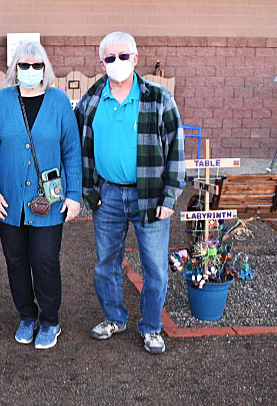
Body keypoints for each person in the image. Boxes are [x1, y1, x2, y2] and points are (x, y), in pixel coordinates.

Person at [75, 32, 185, 354]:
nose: (117, 62)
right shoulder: (90, 101)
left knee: (155, 268)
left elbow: (176, 150)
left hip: (149, 196)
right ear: (102, 64)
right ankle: (114, 317)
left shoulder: (159, 99)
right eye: (110, 58)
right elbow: (78, 149)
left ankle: (151, 327)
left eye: (123, 56)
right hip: (107, 196)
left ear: (135, 59)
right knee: (105, 264)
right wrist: (88, 191)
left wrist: (169, 197)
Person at [0, 41, 82, 350]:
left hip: (49, 203)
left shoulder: (59, 102)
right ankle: (27, 315)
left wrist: (74, 195)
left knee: (45, 260)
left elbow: (72, 152)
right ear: (15, 68)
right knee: (15, 261)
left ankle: (50, 320)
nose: (29, 70)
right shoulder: (1, 102)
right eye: (23, 65)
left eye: (36, 65)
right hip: (9, 202)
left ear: (45, 68)